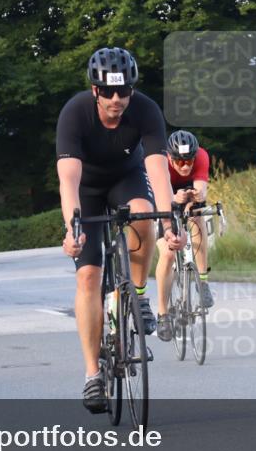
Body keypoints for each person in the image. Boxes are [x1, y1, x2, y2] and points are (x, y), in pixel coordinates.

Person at [57, 46, 185, 413]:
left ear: (132, 89)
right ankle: (93, 374)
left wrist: (168, 221)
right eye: (109, 92)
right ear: (95, 90)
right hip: (87, 189)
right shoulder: (75, 114)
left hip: (127, 180)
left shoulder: (144, 110)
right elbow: (68, 180)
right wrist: (72, 228)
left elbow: (159, 170)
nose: (117, 100)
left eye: (124, 91)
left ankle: (138, 292)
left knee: (144, 214)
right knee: (88, 277)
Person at [154, 130, 215, 342]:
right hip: (165, 195)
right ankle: (162, 314)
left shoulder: (201, 156)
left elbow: (202, 191)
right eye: (179, 162)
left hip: (188, 193)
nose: (185, 165)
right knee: (168, 253)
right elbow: (158, 194)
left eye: (188, 160)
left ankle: (203, 281)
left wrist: (192, 200)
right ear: (170, 157)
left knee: (197, 219)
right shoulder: (160, 162)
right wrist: (173, 199)